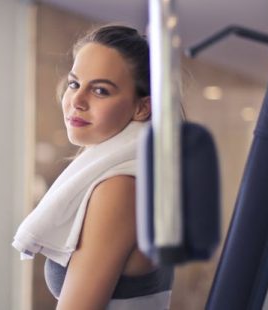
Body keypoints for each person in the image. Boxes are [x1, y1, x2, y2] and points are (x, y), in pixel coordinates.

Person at [13, 24, 173, 309]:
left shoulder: (120, 187)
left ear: (142, 108)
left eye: (100, 90)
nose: (77, 100)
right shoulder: (131, 175)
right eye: (74, 84)